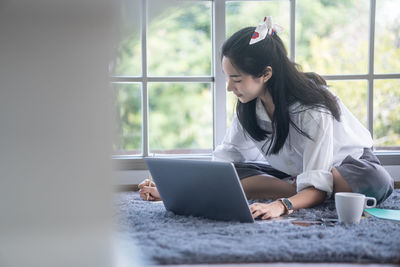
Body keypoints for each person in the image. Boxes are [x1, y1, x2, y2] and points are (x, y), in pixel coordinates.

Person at [139, 16, 394, 220]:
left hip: (350, 167)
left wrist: (280, 205)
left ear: (266, 74)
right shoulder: (249, 106)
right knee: (228, 173)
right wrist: (174, 190)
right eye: (227, 77)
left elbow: (319, 177)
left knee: (362, 181)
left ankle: (306, 192)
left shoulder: (311, 110)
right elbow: (225, 159)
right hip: (295, 173)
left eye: (236, 79)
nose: (229, 87)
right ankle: (303, 190)